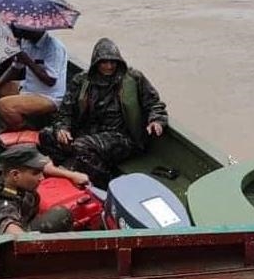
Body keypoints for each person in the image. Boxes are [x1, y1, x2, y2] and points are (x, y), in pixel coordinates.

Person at [44, 38, 168, 186]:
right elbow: (65, 111)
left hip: (122, 136)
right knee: (46, 135)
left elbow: (154, 104)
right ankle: (70, 170)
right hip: (89, 131)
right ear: (96, 63)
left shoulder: (134, 78)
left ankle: (104, 185)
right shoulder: (81, 80)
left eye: (113, 62)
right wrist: (62, 128)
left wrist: (156, 120)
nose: (109, 66)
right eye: (104, 62)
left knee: (82, 146)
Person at [0, 146, 88, 240]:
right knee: (60, 215)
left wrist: (71, 175)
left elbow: (43, 166)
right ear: (15, 175)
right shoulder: (0, 202)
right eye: (36, 173)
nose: (41, 177)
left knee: (31, 197)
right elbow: (10, 230)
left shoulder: (1, 169)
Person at [0, 26, 68, 130]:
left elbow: (50, 81)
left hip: (48, 96)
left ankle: (24, 130)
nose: (21, 32)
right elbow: (16, 68)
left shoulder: (54, 48)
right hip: (27, 87)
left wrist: (28, 61)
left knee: (4, 105)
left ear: (37, 29)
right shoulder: (25, 42)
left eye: (24, 30)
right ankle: (7, 121)